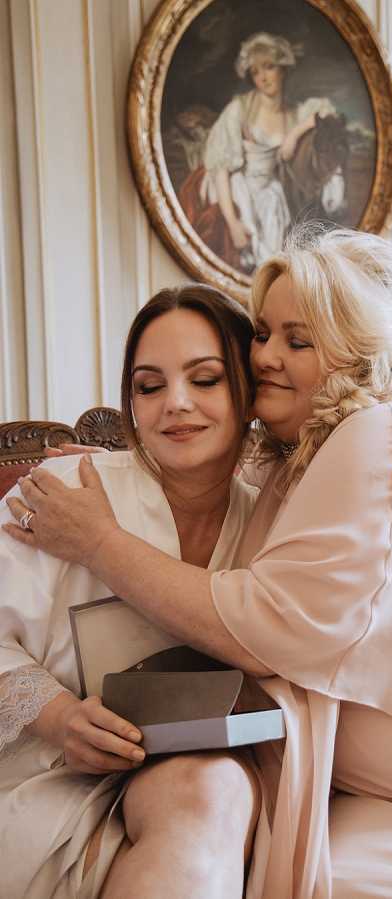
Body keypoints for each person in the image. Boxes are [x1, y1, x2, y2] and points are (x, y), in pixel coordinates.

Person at [6, 228, 392, 898]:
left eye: (298, 338)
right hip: (77, 769)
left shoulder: (372, 439)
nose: (265, 357)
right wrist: (56, 712)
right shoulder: (103, 492)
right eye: (261, 334)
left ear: (355, 347)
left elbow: (262, 627)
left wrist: (102, 544)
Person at [0, 285, 262, 899]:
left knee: (210, 792)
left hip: (192, 772)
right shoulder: (61, 492)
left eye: (206, 380)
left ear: (248, 390)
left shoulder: (280, 519)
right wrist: (61, 718)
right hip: (46, 771)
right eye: (149, 386)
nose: (175, 404)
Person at [179, 32, 337, 273]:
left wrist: (295, 134)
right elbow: (220, 168)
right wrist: (233, 224)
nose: (262, 77)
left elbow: (327, 115)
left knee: (273, 201)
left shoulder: (294, 113)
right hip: (237, 189)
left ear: (282, 69)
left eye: (268, 67)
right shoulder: (240, 109)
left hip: (271, 191)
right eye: (255, 72)